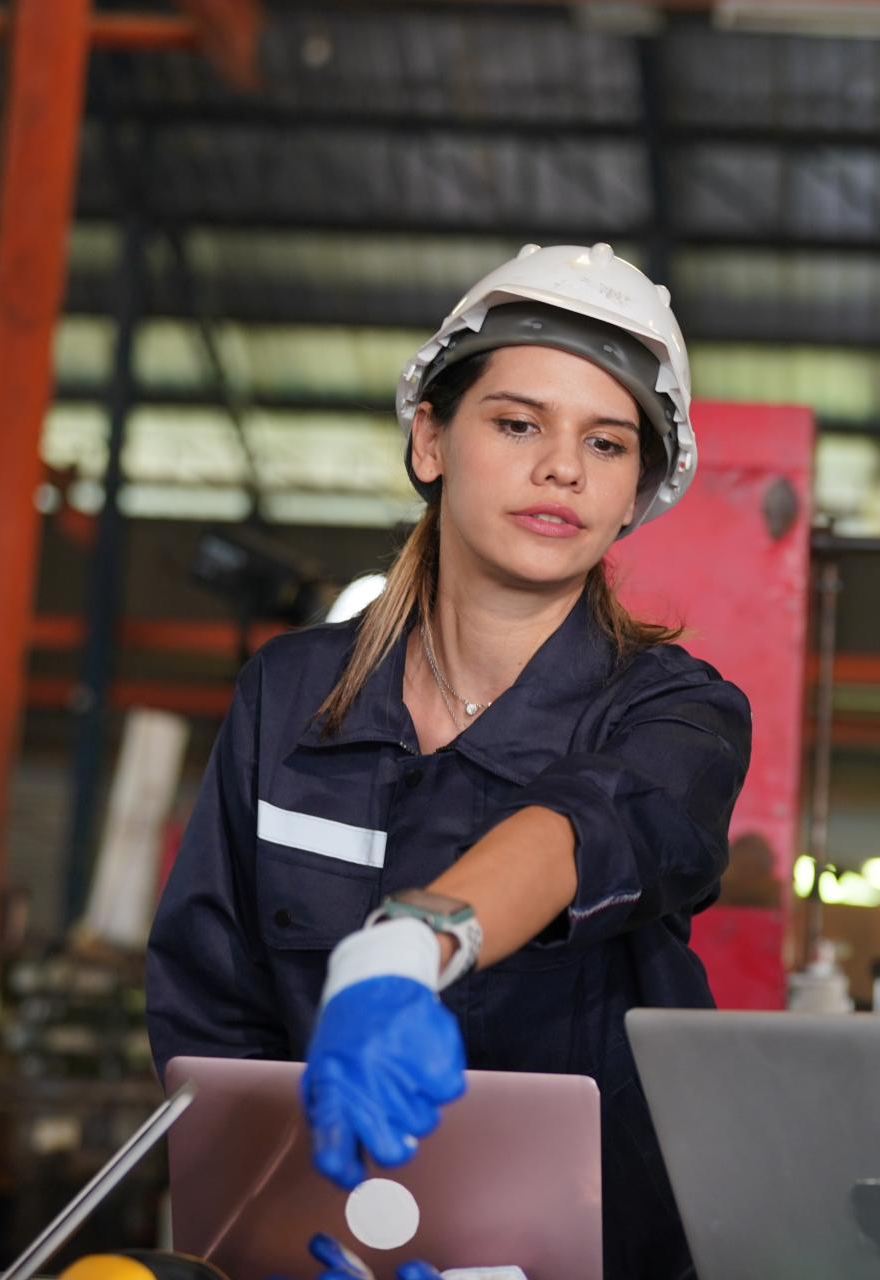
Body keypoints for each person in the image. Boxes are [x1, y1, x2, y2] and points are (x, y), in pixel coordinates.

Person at [147, 243, 751, 1280]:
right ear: (431, 437)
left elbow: (590, 824)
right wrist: (270, 1230)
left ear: (635, 493)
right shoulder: (289, 699)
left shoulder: (678, 714)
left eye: (606, 444)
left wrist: (402, 952)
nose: (561, 466)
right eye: (517, 423)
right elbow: (213, 1012)